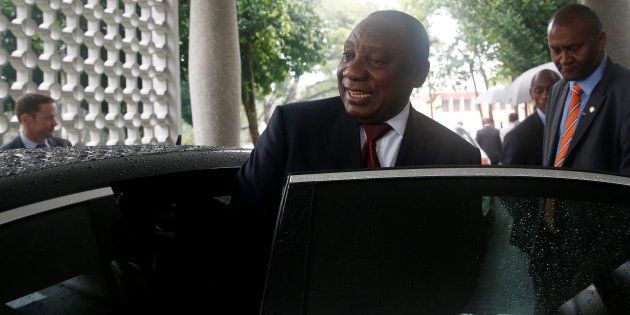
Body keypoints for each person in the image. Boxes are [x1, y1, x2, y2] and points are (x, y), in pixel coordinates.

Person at [231, 10, 481, 311]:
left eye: (375, 60)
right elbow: (242, 237)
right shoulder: (292, 128)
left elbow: (458, 270)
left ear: (419, 73)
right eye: (347, 55)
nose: (352, 71)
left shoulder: (455, 156)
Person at [543, 4, 630, 174]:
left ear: (601, 41)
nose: (564, 59)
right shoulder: (557, 91)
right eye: (556, 50)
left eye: (574, 48)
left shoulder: (625, 91)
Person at [500, 69, 560, 166]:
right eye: (539, 91)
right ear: (531, 93)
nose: (545, 95)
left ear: (563, 90)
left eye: (552, 89)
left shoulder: (574, 125)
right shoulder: (516, 137)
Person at [1, 93, 71, 149]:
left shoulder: (64, 146)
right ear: (25, 119)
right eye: (49, 118)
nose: (55, 123)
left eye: (54, 117)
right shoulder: (4, 154)